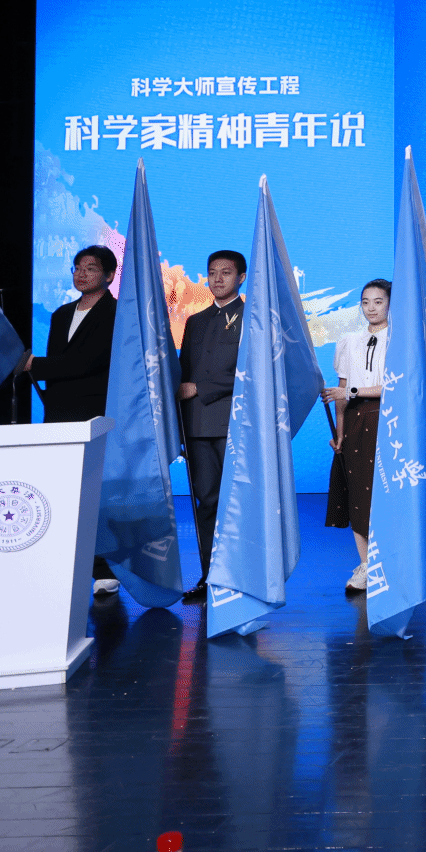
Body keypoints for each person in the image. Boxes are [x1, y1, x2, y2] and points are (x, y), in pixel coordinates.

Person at [25, 245, 119, 595]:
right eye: (77, 267)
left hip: (94, 413)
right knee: (60, 492)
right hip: (59, 414)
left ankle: (103, 568)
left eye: (90, 268)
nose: (81, 273)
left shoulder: (115, 313)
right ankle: (64, 564)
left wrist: (33, 365)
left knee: (94, 493)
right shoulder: (62, 313)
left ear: (109, 275)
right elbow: (58, 365)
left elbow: (88, 363)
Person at [177, 249, 247, 604]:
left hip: (235, 423)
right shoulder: (196, 321)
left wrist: (201, 388)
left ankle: (242, 576)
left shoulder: (253, 318)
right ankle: (210, 576)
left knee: (238, 504)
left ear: (241, 278)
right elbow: (182, 376)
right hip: (197, 426)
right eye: (212, 272)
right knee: (206, 502)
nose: (218, 279)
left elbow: (253, 373)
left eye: (226, 272)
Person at [321, 278, 390, 595]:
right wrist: (340, 433)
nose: (371, 308)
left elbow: (394, 386)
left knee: (382, 494)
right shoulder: (349, 341)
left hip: (386, 421)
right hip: (355, 421)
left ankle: (388, 563)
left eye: (378, 301)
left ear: (390, 304)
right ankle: (366, 565)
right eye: (365, 302)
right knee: (357, 497)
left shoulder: (398, 341)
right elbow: (341, 392)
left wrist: (350, 391)